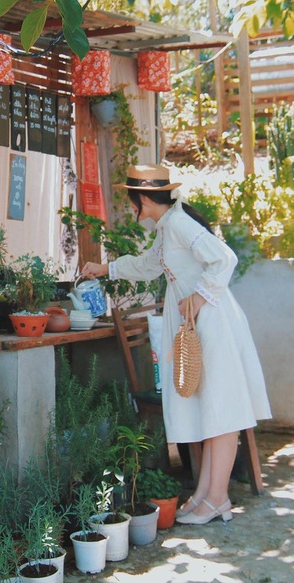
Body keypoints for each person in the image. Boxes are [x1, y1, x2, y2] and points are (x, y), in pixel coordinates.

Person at [81, 164, 271, 526]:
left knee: (223, 410)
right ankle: (205, 494)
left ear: (143, 198)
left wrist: (198, 299)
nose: (131, 206)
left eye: (132, 198)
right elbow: (150, 265)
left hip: (211, 322)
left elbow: (224, 258)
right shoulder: (169, 227)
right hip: (198, 324)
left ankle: (218, 498)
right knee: (210, 408)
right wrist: (105, 269)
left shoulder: (180, 225)